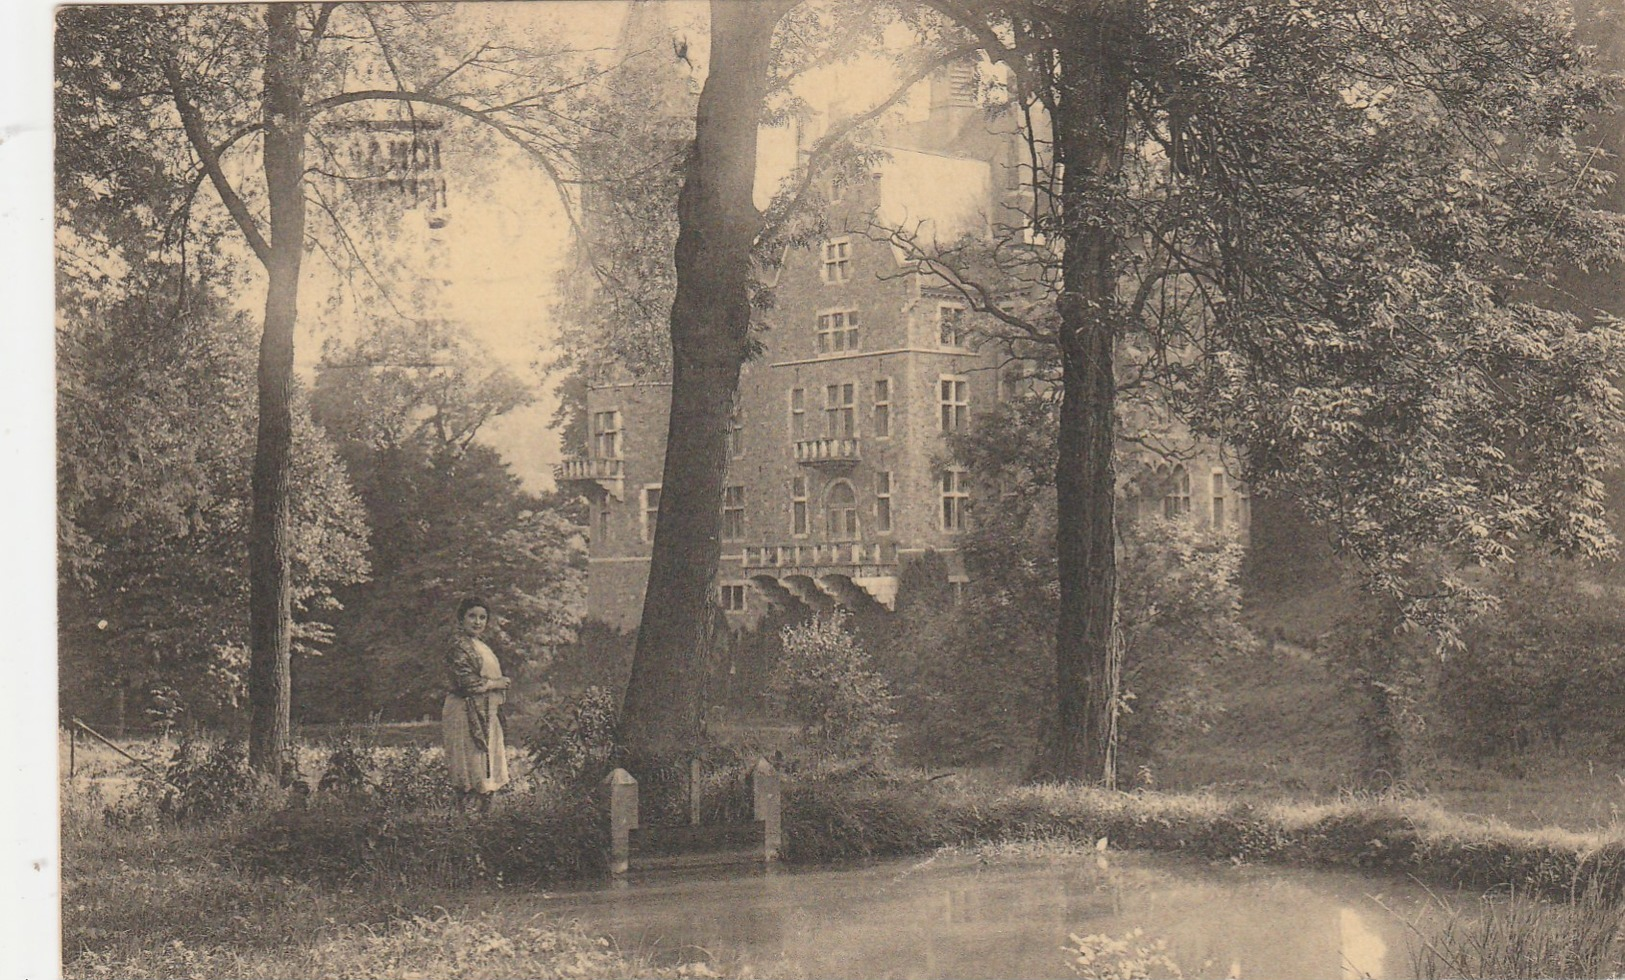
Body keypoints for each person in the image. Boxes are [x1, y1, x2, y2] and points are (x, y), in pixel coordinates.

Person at [442, 596, 511, 814]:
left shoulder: (481, 646)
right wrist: (497, 683)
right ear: (461, 619)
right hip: (464, 711)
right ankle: (465, 819)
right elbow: (466, 683)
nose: (477, 622)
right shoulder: (458, 645)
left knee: (487, 761)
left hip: (485, 711)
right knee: (469, 762)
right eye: (472, 616)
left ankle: (483, 819)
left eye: (482, 617)